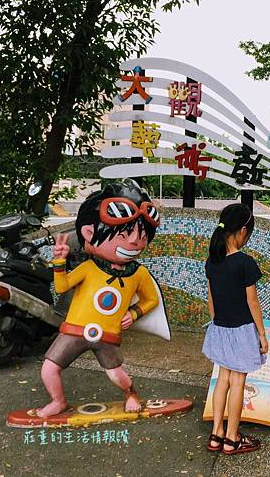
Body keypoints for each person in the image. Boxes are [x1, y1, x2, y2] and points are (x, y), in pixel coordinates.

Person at [36, 179, 167, 418]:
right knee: (48, 368)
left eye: (141, 236)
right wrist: (59, 262)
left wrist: (134, 313)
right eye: (125, 234)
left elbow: (151, 300)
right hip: (74, 330)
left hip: (106, 335)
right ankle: (58, 401)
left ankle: (131, 394)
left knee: (117, 375)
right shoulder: (88, 267)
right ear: (89, 232)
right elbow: (62, 285)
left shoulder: (138, 273)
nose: (133, 242)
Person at [202, 203, 268, 455]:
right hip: (241, 330)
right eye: (248, 234)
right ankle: (232, 438)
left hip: (220, 327)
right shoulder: (244, 262)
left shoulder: (212, 262)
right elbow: (252, 302)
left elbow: (211, 298)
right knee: (238, 381)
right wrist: (261, 335)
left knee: (223, 379)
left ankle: (216, 434)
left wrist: (218, 325)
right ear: (242, 231)